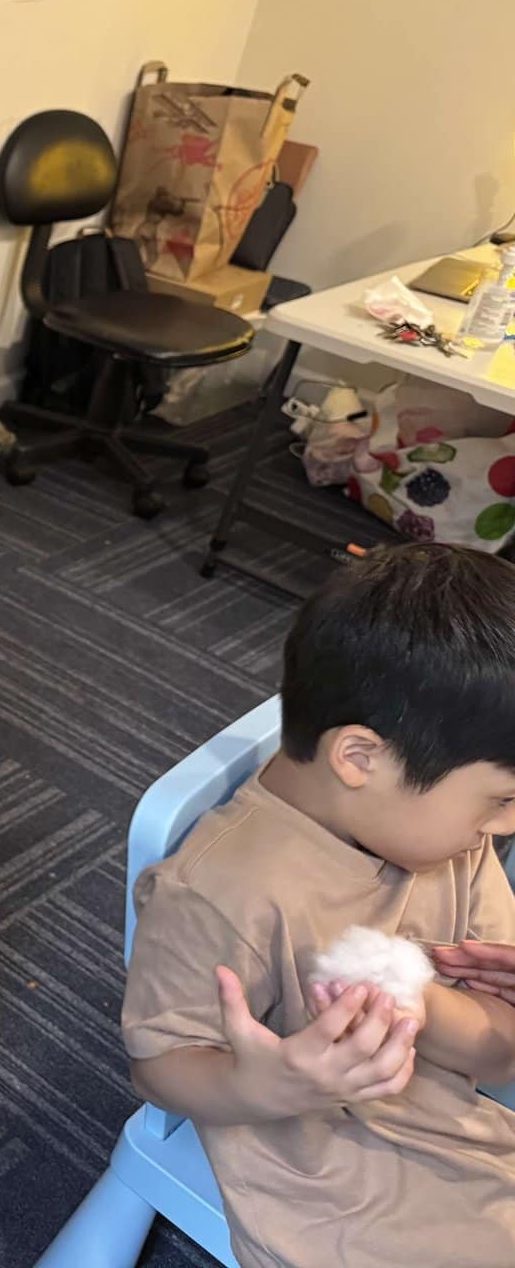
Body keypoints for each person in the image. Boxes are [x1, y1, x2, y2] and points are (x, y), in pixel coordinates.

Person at [124, 543, 515, 1268]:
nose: (507, 824)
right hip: (321, 1178)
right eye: (502, 798)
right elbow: (157, 1066)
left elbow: (501, 1049)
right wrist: (256, 1085)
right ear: (360, 759)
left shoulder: (457, 844)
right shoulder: (220, 890)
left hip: (454, 1137)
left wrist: (419, 1005)